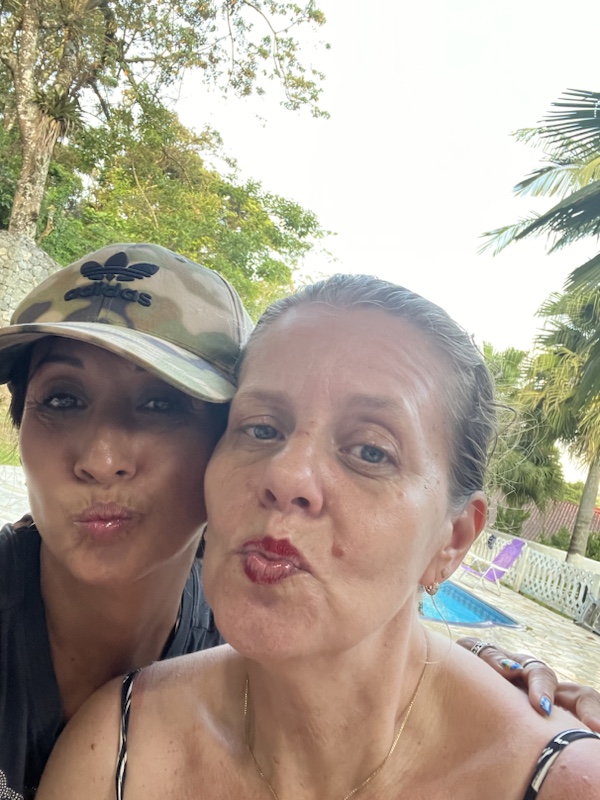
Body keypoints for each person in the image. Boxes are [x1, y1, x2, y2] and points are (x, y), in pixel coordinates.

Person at [36, 274, 600, 800]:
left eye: (371, 451)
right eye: (261, 428)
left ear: (452, 539)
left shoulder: (563, 782)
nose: (285, 475)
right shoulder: (118, 747)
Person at [0, 242, 252, 800]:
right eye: (62, 400)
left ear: (229, 445)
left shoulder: (254, 666)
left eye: (160, 403)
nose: (100, 459)